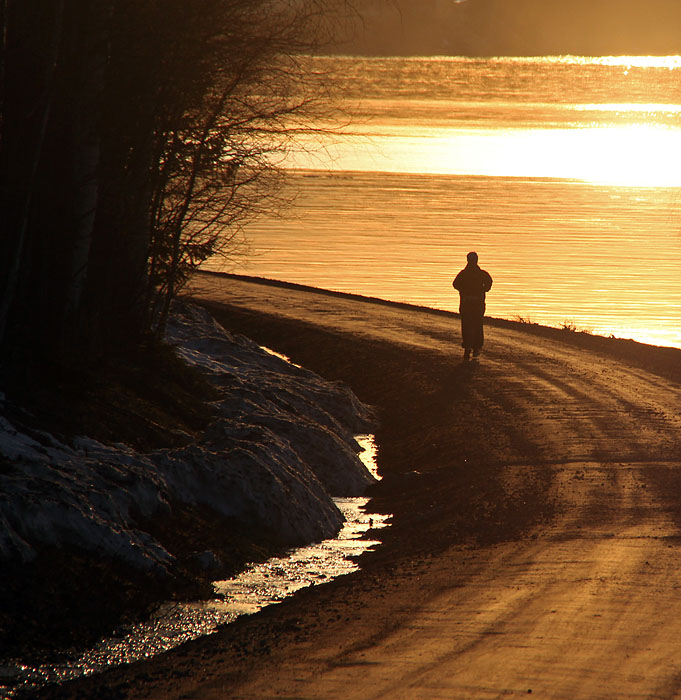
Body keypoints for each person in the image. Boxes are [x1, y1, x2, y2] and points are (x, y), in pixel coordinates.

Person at [452, 251, 493, 361]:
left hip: (466, 303)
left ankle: (468, 347)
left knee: (467, 325)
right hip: (477, 303)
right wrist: (484, 290)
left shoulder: (464, 274)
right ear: (476, 260)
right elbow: (489, 282)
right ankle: (476, 347)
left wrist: (463, 291)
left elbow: (455, 284)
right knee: (477, 325)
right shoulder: (481, 274)